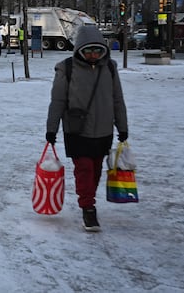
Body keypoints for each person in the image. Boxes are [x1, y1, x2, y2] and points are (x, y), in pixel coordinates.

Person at [45, 25, 128, 232]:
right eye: (88, 50)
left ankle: (88, 198)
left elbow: (117, 99)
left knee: (97, 169)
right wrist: (51, 129)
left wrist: (123, 127)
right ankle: (88, 207)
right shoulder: (67, 68)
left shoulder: (109, 68)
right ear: (79, 50)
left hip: (103, 130)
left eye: (97, 51)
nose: (93, 55)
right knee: (84, 169)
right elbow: (58, 101)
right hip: (77, 130)